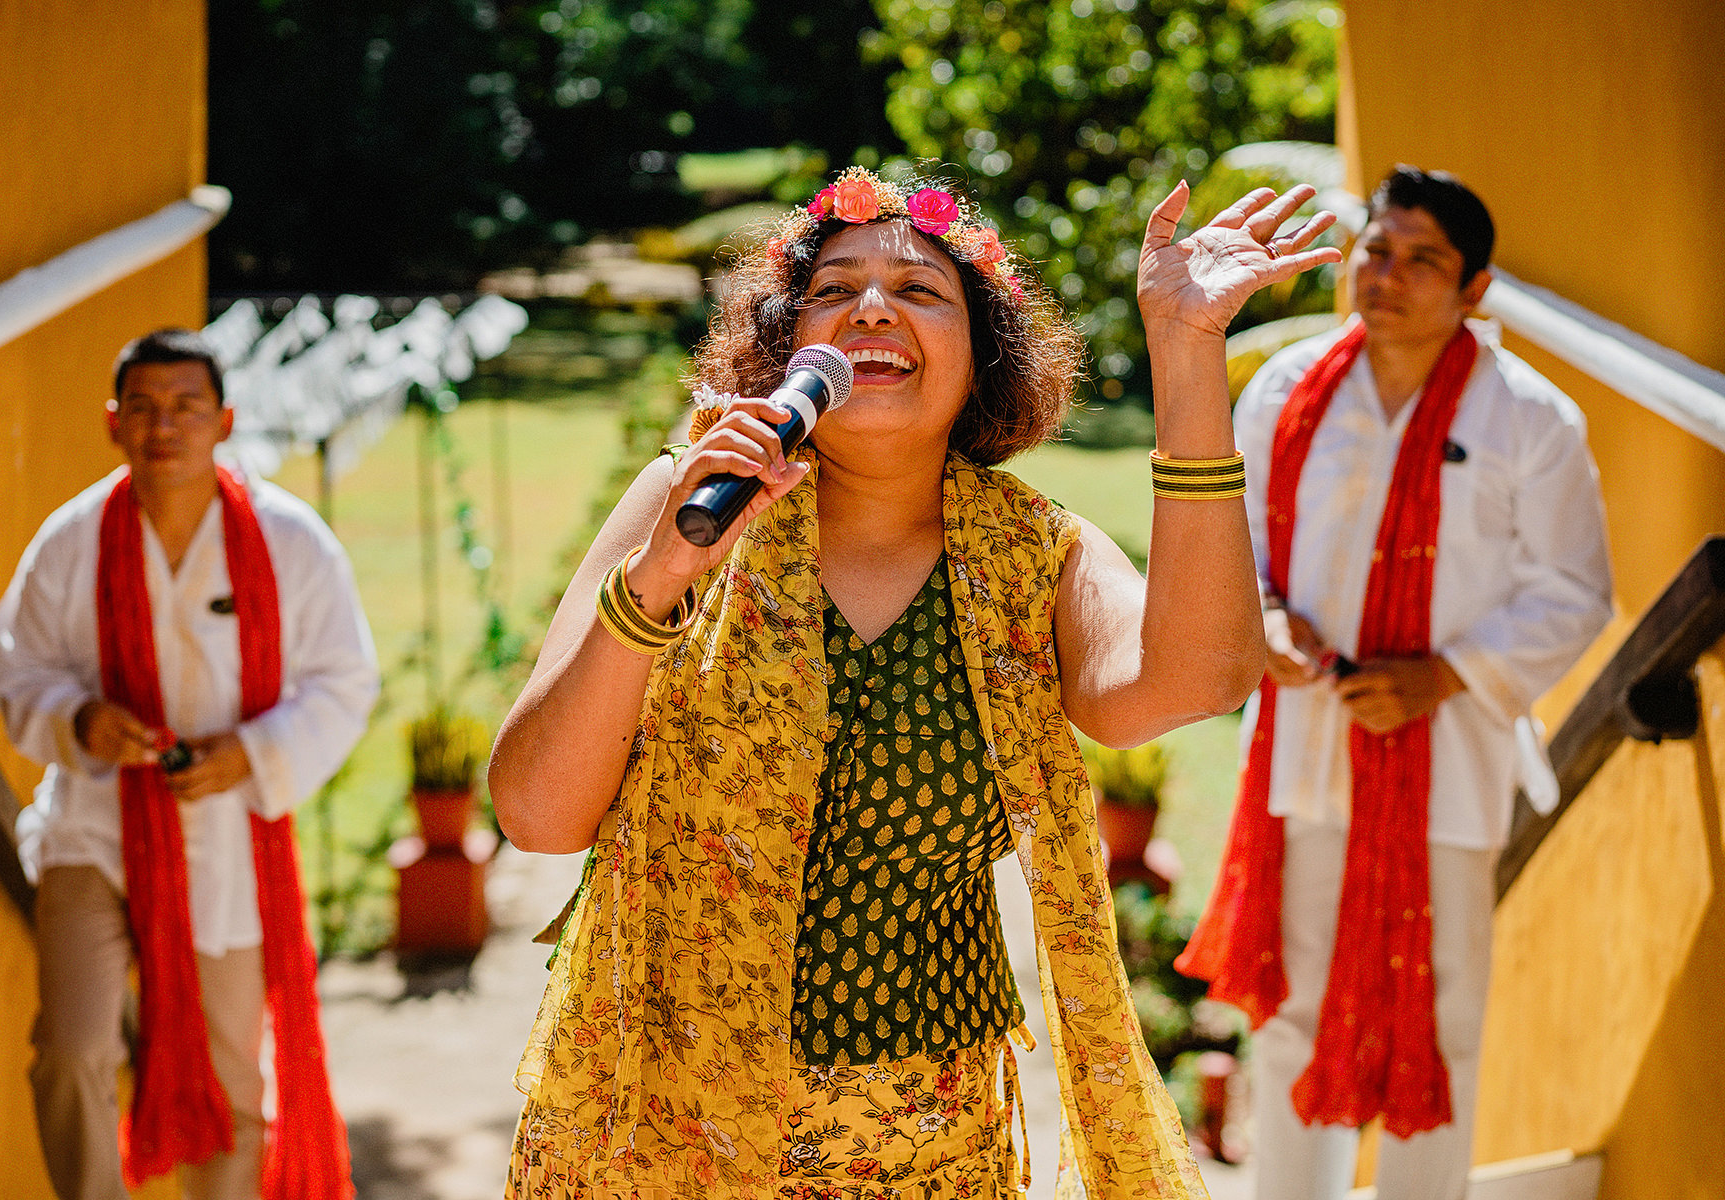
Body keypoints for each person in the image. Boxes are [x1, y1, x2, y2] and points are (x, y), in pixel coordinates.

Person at [489, 165, 1339, 1198]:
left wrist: (1187, 348)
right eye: (834, 290)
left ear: (980, 357)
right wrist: (663, 576)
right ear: (786, 349)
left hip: (926, 1153)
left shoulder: (1036, 557)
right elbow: (536, 813)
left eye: (921, 290)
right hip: (660, 1127)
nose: (874, 307)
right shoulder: (683, 502)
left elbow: (1197, 678)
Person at [1175, 167, 1612, 1200]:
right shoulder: (1286, 388)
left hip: (1447, 760)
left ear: (1476, 287)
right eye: (1378, 249)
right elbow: (1233, 547)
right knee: (1290, 1012)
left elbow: (1575, 590)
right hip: (1306, 743)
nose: (1390, 275)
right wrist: (1265, 621)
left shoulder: (1529, 419)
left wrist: (1445, 676)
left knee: (1442, 1011)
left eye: (1425, 260)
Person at [0, 328, 379, 1200]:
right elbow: (13, 664)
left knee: (232, 1081)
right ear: (112, 421)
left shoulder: (289, 541)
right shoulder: (73, 538)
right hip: (93, 832)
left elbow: (345, 680)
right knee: (72, 1051)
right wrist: (77, 718)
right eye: (144, 408)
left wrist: (253, 753)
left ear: (224, 419)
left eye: (187, 407)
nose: (166, 427)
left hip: (227, 847)